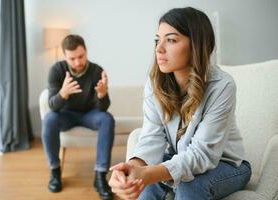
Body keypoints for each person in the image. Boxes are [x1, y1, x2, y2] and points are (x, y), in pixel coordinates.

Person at [108, 7, 251, 200]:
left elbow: (202, 155)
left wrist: (150, 174)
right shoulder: (154, 83)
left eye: (172, 40)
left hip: (226, 165)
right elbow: (151, 137)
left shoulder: (222, 86)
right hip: (180, 157)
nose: (159, 48)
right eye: (157, 40)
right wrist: (133, 167)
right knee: (146, 187)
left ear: (197, 45)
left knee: (189, 186)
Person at [42, 34, 114, 200]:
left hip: (89, 114)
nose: (77, 62)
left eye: (81, 56)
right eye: (72, 58)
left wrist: (102, 95)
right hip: (66, 115)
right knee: (49, 119)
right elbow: (53, 106)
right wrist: (63, 93)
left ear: (86, 51)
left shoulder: (97, 71)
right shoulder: (57, 70)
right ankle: (55, 171)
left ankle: (100, 176)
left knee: (107, 118)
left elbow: (103, 108)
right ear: (65, 56)